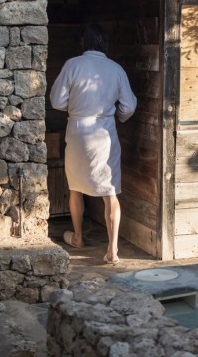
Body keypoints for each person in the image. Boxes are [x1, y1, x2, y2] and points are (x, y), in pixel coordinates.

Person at [49, 23, 137, 264]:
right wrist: (115, 115)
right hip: (105, 131)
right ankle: (113, 250)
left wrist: (76, 108)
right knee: (110, 191)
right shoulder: (115, 68)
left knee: (75, 186)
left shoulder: (73, 65)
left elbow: (56, 100)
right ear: (104, 44)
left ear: (83, 43)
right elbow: (129, 106)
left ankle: (77, 237)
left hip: (78, 131)